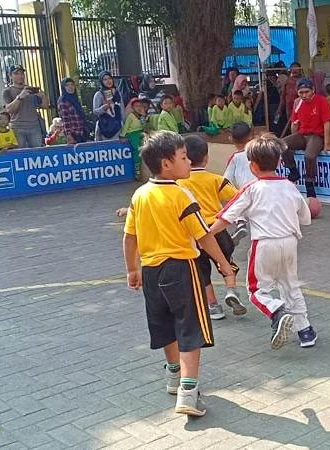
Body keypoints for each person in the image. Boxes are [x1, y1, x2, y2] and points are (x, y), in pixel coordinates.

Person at [123, 131, 238, 416]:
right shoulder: (181, 194)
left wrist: (131, 270)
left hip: (150, 271)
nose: (189, 163)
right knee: (189, 328)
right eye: (184, 158)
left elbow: (129, 237)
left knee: (164, 325)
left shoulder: (139, 195)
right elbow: (204, 236)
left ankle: (173, 375)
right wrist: (224, 266)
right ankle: (188, 391)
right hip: (182, 268)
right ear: (166, 164)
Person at [210, 134, 316, 349]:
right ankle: (305, 331)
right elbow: (305, 218)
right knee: (290, 285)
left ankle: (277, 311)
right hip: (290, 243)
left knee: (257, 290)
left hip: (264, 243)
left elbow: (225, 217)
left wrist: (206, 234)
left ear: (252, 166)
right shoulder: (289, 186)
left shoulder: (251, 189)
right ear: (279, 162)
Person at [176, 135, 247, 321]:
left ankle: (214, 306)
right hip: (217, 228)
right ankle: (231, 290)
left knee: (202, 272)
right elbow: (238, 198)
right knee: (226, 261)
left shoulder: (178, 184)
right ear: (206, 157)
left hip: (195, 234)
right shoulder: (216, 179)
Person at [282, 78, 330, 198]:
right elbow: (294, 123)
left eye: (306, 92)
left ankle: (309, 183)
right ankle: (293, 171)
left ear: (313, 90)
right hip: (302, 135)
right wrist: (293, 132)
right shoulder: (298, 103)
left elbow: (327, 123)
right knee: (281, 144)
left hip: (316, 136)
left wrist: (327, 144)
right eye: (301, 93)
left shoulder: (322, 101)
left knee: (309, 155)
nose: (304, 95)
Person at [222, 121, 254, 245]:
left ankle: (241, 223)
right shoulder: (257, 152)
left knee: (234, 205)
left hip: (244, 192)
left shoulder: (235, 158)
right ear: (251, 136)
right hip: (262, 188)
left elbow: (226, 180)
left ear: (231, 139)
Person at [2, 65, 48, 148]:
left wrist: (43, 96)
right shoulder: (7, 91)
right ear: (10, 76)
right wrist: (20, 97)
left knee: (37, 153)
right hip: (17, 127)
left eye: (22, 73)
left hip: (34, 127)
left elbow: (45, 106)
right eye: (16, 74)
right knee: (20, 153)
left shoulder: (31, 89)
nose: (20, 76)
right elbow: (9, 110)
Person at [121, 98, 151, 178]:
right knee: (137, 150)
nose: (138, 107)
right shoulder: (131, 116)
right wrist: (123, 135)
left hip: (141, 132)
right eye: (136, 106)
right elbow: (126, 126)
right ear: (133, 108)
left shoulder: (142, 115)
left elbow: (144, 125)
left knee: (145, 148)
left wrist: (144, 117)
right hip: (133, 133)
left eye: (140, 106)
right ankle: (137, 171)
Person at [92, 71, 123, 141]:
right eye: (105, 79)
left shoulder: (117, 93)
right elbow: (95, 111)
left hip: (118, 126)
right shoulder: (99, 94)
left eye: (109, 78)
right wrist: (103, 108)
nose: (108, 81)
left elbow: (122, 110)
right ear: (101, 81)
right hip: (105, 127)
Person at [56, 77, 87, 144]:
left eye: (72, 84)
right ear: (64, 87)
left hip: (81, 132)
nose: (70, 87)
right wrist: (69, 135)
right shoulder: (63, 101)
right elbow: (65, 119)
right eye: (67, 85)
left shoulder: (75, 99)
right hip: (73, 134)